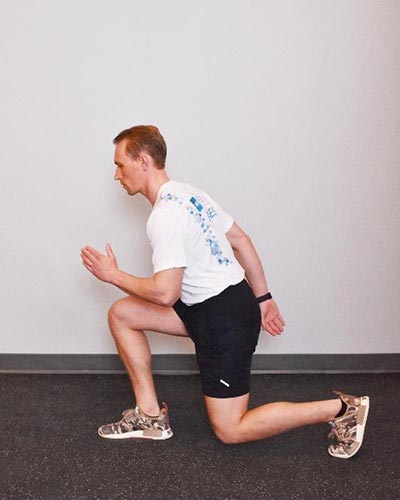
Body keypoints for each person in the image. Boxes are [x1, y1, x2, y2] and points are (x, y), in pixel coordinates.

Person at [80, 125, 369, 459]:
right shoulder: (190, 194)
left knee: (231, 430)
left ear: (143, 161)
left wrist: (113, 275)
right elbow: (241, 241)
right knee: (122, 314)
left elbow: (164, 294)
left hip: (224, 321)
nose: (116, 175)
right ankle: (150, 416)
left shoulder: (165, 216)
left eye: (120, 164)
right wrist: (262, 298)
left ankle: (342, 409)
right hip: (209, 307)